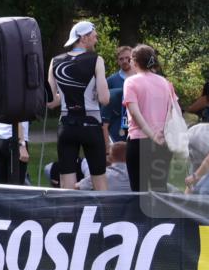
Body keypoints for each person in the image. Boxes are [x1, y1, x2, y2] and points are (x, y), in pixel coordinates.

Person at [49, 20, 111, 190]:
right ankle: (103, 209)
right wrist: (95, 94)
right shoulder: (96, 60)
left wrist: (66, 96)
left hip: (66, 126)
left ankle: (69, 209)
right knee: (99, 181)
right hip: (90, 125)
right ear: (83, 38)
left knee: (67, 183)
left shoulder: (55, 61)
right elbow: (105, 99)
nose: (96, 40)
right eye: (94, 36)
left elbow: (51, 102)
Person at [123, 44, 178, 193]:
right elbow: (171, 112)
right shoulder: (165, 83)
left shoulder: (131, 82)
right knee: (160, 189)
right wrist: (162, 133)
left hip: (139, 141)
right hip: (163, 142)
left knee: (138, 191)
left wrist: (152, 135)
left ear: (135, 62)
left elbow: (135, 113)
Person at [102, 45, 133, 145]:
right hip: (117, 127)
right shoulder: (110, 81)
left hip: (137, 126)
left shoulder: (141, 79)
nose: (125, 61)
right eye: (121, 59)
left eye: (128, 58)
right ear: (118, 61)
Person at [0, 121, 30, 185]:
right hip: (13, 138)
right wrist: (22, 145)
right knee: (16, 185)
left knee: (0, 184)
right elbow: (17, 118)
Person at [185, 123, 209, 194]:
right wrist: (184, 198)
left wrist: (195, 177)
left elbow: (195, 177)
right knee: (196, 191)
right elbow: (191, 184)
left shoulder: (194, 136)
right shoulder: (191, 152)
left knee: (204, 191)